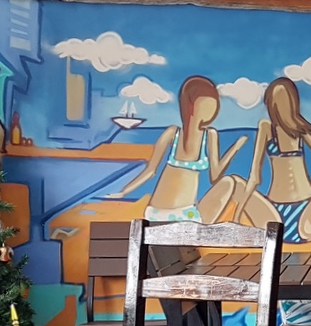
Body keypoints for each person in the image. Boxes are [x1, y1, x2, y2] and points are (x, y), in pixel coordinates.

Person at [105, 75, 247, 223]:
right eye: (205, 106)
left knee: (231, 182)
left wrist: (235, 148)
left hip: (180, 214)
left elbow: (215, 175)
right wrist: (123, 192)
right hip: (165, 214)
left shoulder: (208, 135)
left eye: (213, 107)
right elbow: (150, 170)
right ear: (190, 106)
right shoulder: (174, 133)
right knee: (230, 183)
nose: (210, 112)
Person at [235, 77, 311, 243]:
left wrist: (237, 215)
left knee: (235, 183)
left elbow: (254, 178)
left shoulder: (293, 130)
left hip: (286, 216)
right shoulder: (278, 129)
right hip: (292, 214)